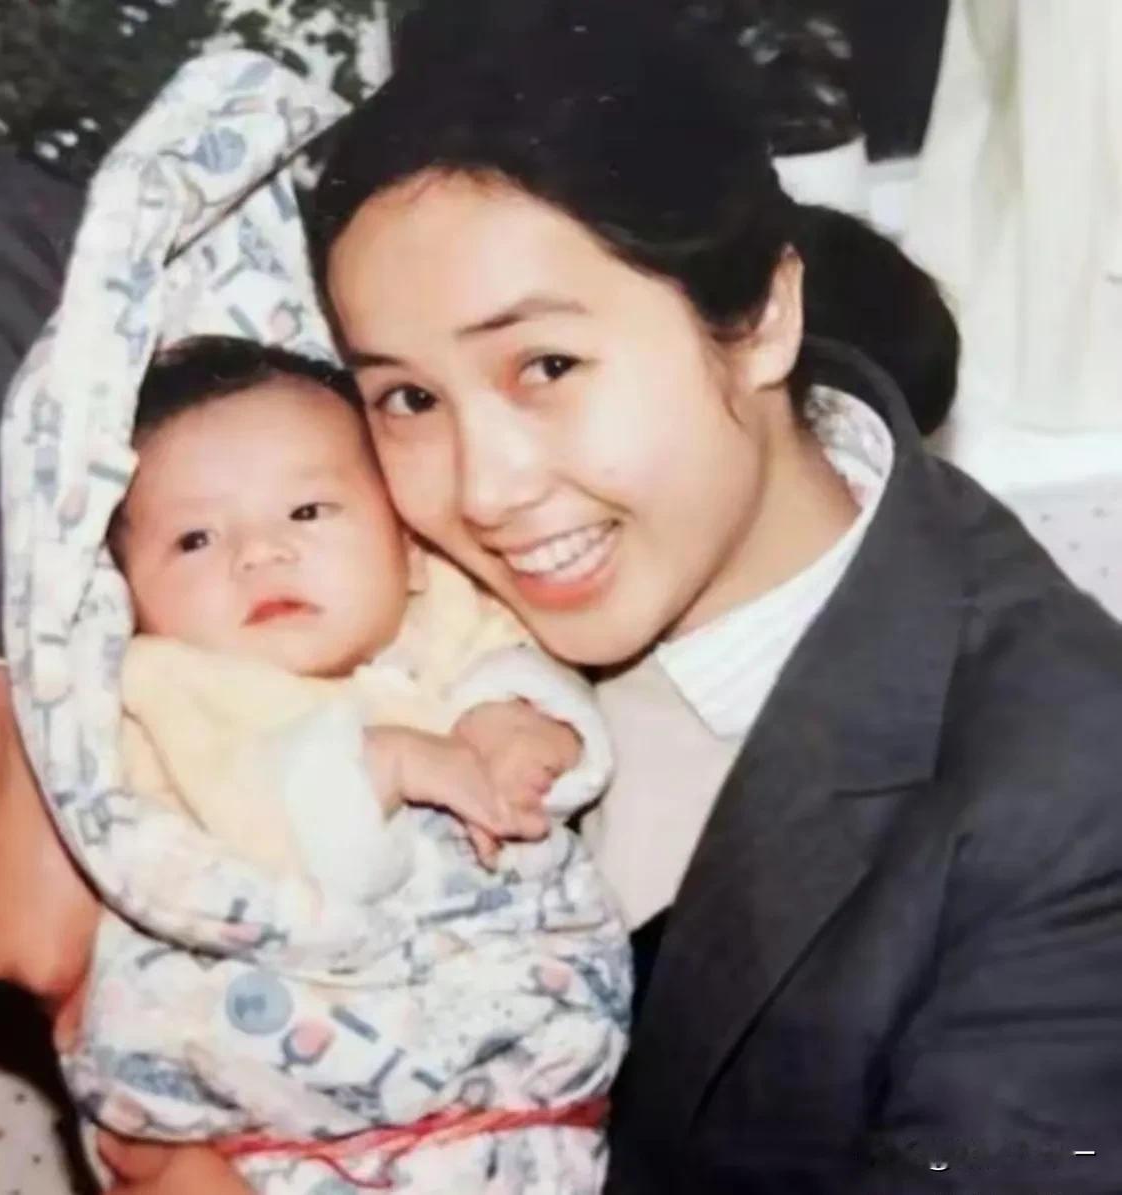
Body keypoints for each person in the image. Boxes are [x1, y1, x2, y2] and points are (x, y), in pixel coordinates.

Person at [298, 3, 1122, 1191]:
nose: (483, 491)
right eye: (410, 398)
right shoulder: (398, 589)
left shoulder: (1074, 797)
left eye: (547, 366)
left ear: (763, 321)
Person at [63, 332, 627, 1192]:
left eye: (306, 512)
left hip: (516, 1110)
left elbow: (535, 690)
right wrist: (384, 765)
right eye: (194, 539)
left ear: (408, 548)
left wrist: (521, 727)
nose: (259, 553)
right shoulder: (166, 688)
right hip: (286, 1124)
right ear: (128, 597)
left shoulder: (446, 613)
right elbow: (237, 843)